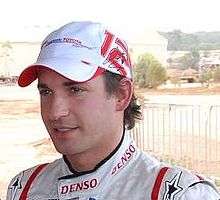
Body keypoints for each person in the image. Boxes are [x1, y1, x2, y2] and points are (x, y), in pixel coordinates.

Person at [6, 21, 220, 200]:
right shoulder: (24, 188)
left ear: (121, 95)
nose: (55, 112)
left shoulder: (179, 193)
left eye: (75, 89)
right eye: (46, 92)